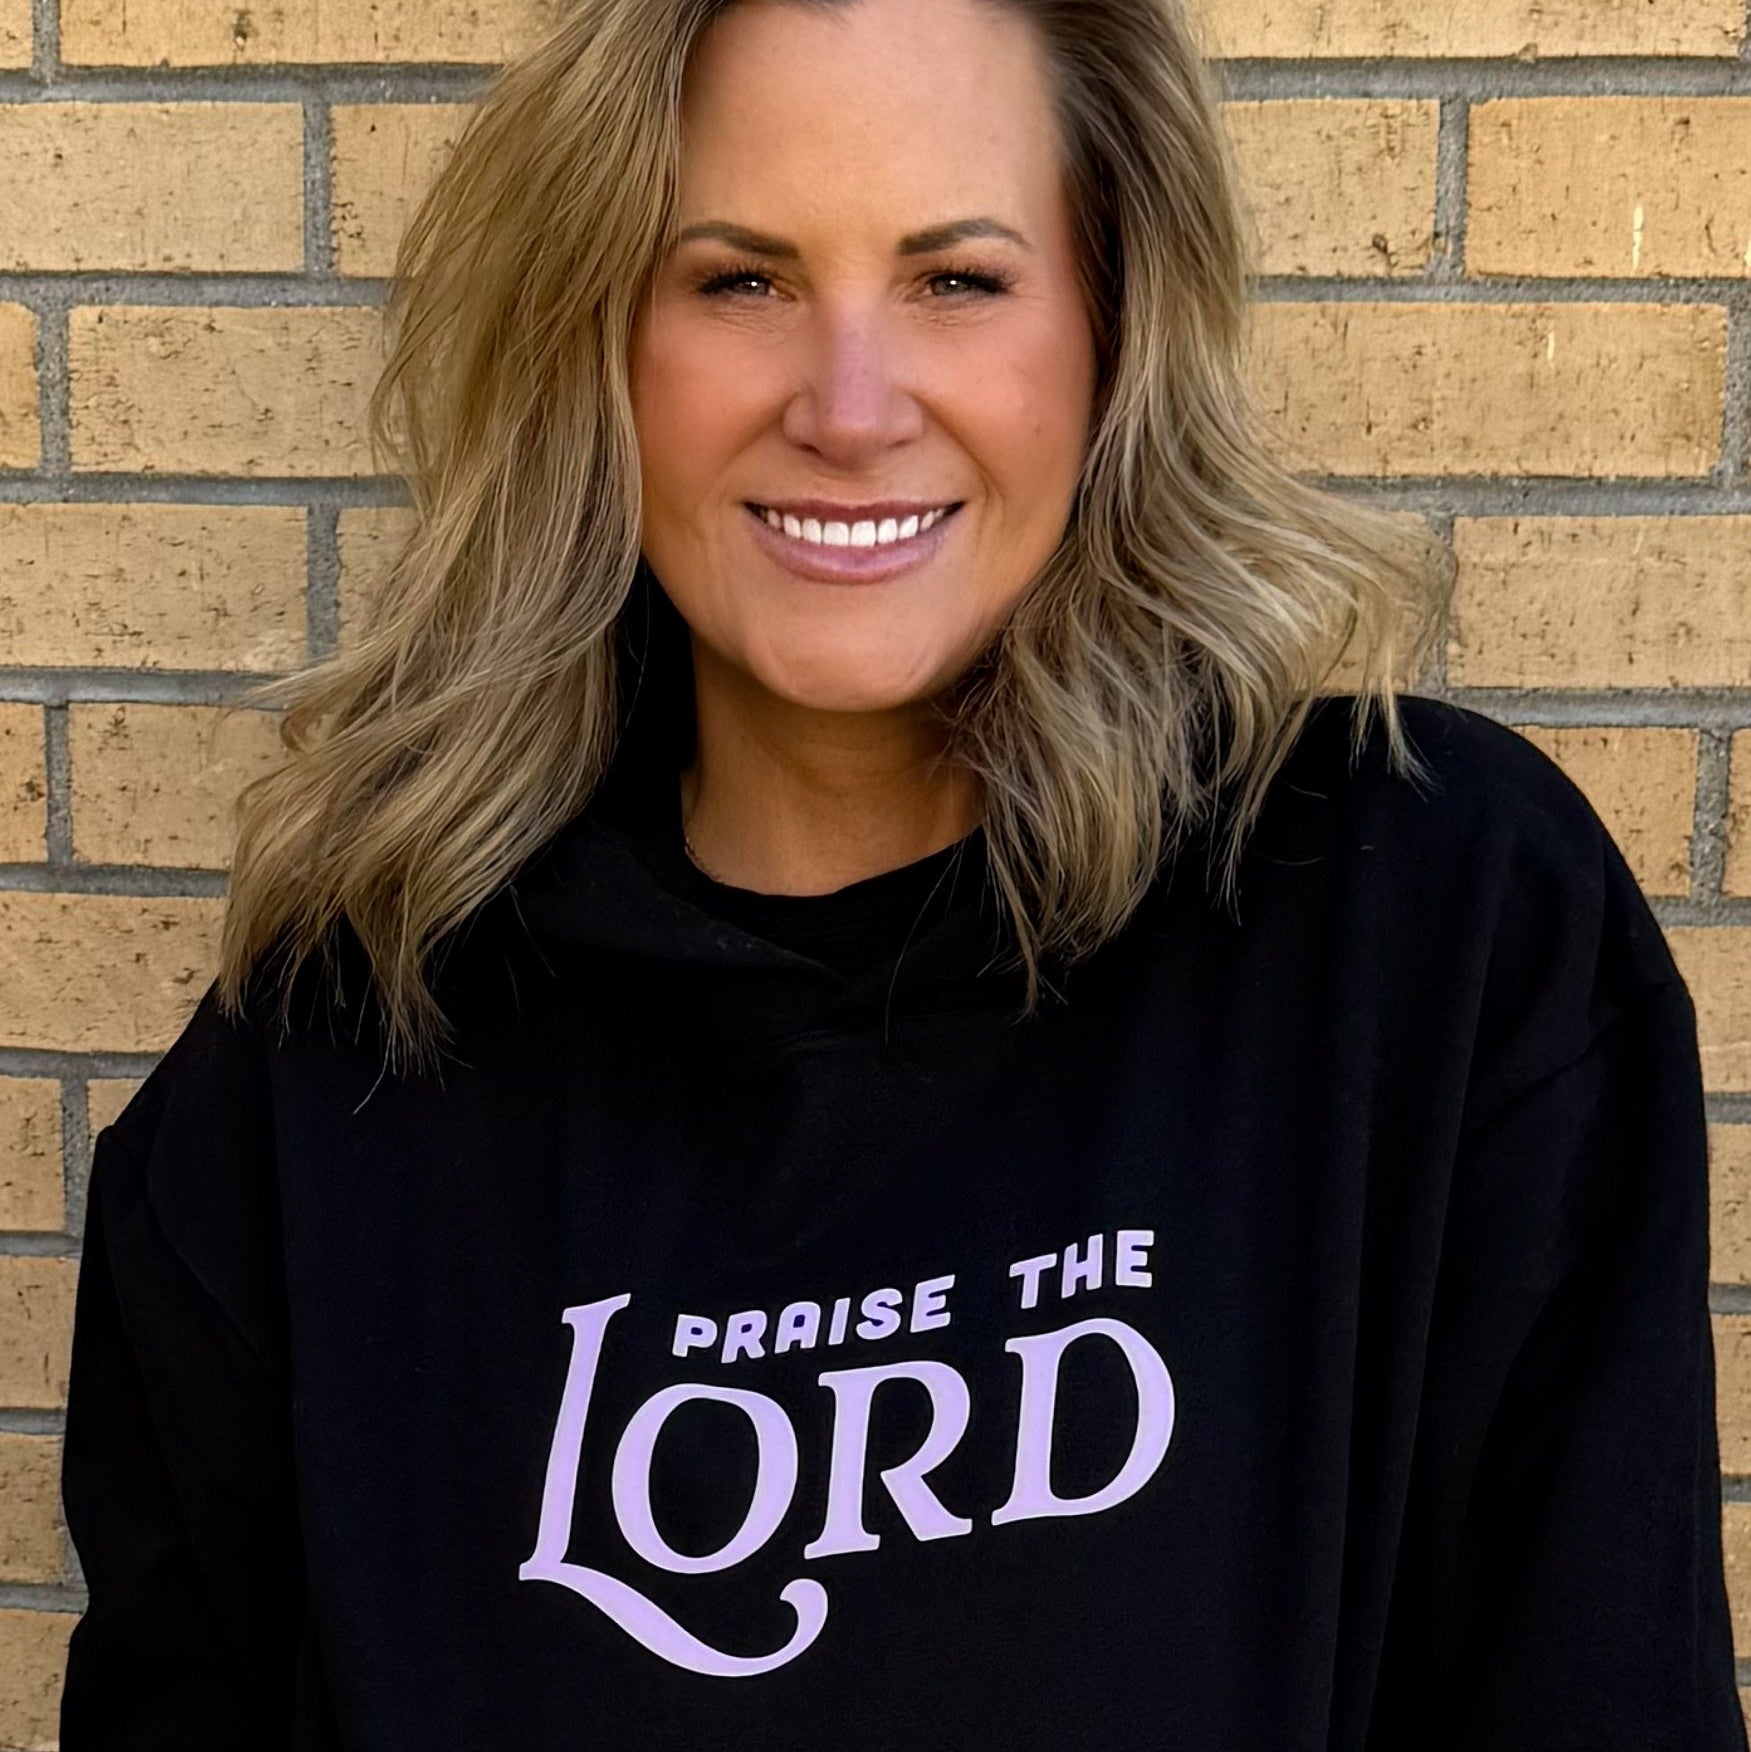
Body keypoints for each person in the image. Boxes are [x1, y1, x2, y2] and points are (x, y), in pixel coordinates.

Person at [57, 0, 1744, 1744]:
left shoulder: (1430, 928)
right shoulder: (319, 1086)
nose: (850, 409)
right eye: (739, 280)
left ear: (1110, 329)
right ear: (598, 344)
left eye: (957, 280)